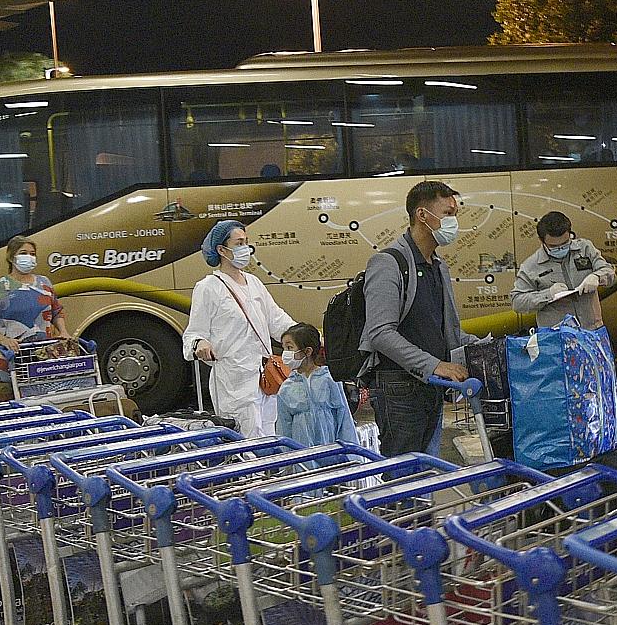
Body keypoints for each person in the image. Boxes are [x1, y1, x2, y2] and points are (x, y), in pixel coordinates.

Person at [361, 180, 478, 456]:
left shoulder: (438, 266)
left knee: (427, 475)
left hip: (431, 387)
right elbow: (380, 332)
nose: (453, 223)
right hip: (399, 389)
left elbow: (446, 330)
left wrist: (488, 346)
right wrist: (435, 365)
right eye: (448, 214)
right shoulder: (388, 263)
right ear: (422, 215)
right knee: (404, 481)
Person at [183, 220, 294, 437]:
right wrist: (200, 343)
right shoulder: (208, 288)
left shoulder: (254, 282)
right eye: (239, 243)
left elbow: (276, 319)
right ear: (222, 250)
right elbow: (193, 333)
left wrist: (303, 335)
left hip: (265, 378)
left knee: (269, 433)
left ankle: (269, 471)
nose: (245, 248)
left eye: (246, 242)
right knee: (245, 439)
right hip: (233, 381)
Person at [0, 237, 70, 399]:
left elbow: (56, 310)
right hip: (7, 357)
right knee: (6, 404)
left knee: (44, 400)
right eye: (23, 253)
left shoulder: (44, 283)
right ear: (11, 257)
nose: (29, 257)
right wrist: (3, 340)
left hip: (43, 356)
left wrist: (63, 331)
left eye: (32, 254)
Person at [511, 211, 616, 330]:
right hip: (557, 337)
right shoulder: (531, 266)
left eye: (566, 243)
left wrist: (597, 277)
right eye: (554, 247)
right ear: (542, 241)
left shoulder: (585, 248)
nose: (561, 248)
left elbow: (609, 272)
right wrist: (548, 294)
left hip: (592, 331)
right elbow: (517, 302)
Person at [276, 323, 358, 453]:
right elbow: (284, 427)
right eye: (284, 348)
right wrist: (285, 460)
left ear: (308, 351)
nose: (285, 353)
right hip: (301, 456)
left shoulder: (329, 380)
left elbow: (344, 417)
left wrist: (352, 455)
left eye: (290, 347)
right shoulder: (286, 388)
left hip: (332, 452)